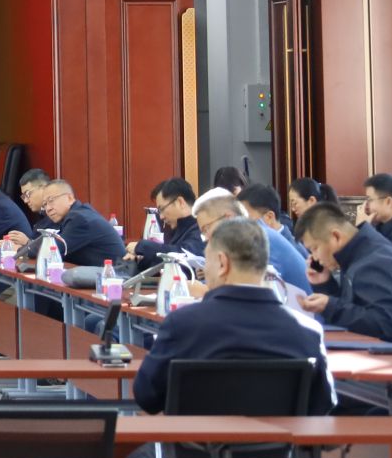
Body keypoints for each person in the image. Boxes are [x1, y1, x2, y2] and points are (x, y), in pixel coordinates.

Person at [133, 217, 333, 417]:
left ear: (222, 263)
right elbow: (322, 405)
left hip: (196, 437)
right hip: (278, 437)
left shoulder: (182, 324)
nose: (204, 270)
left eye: (206, 261)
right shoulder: (307, 331)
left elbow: (147, 396)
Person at [295, 202, 392, 344]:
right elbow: (354, 308)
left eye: (315, 248)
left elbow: (386, 324)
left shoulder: (377, 261)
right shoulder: (357, 253)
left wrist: (330, 306)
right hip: (376, 348)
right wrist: (325, 284)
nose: (314, 258)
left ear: (336, 236)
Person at [28, 180, 122, 267]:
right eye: (45, 204)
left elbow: (52, 250)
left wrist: (27, 247)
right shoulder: (75, 215)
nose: (48, 208)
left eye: (51, 200)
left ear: (69, 198)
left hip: (113, 275)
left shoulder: (80, 219)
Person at [237, 183, 314, 288]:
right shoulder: (284, 241)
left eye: (245, 218)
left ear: (269, 217)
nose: (239, 225)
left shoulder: (274, 245)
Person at [129, 178, 205, 268]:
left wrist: (142, 247)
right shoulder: (178, 229)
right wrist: (140, 258)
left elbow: (187, 256)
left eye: (162, 209)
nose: (161, 217)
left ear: (180, 202)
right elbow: (165, 258)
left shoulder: (202, 227)